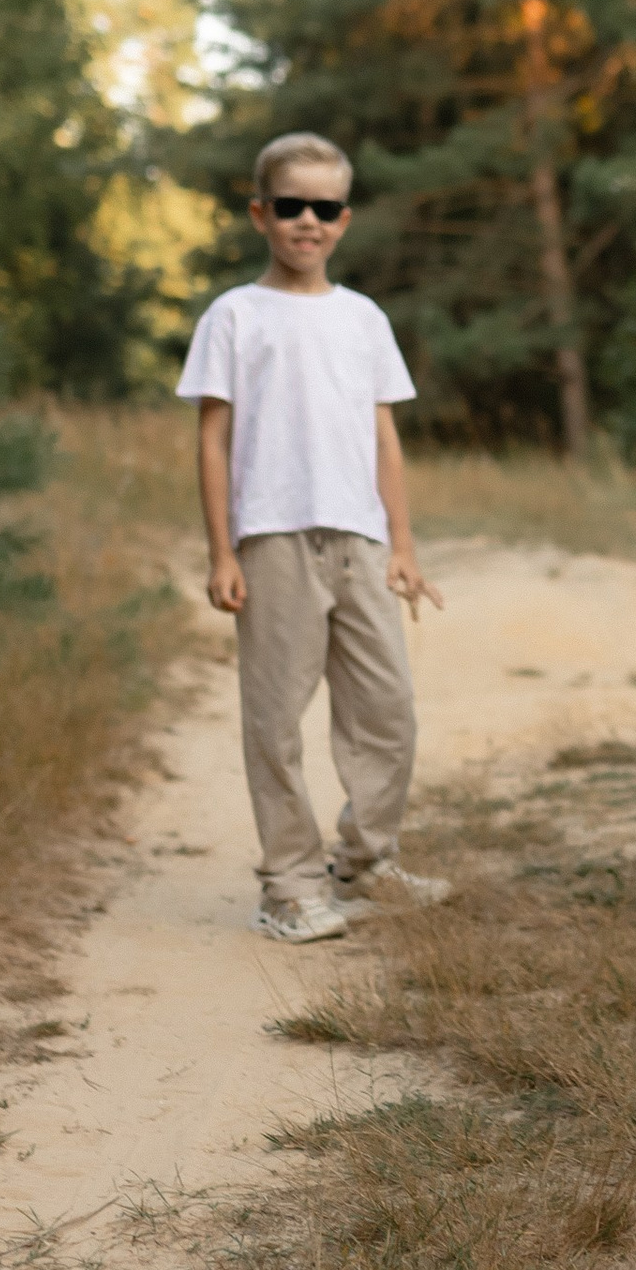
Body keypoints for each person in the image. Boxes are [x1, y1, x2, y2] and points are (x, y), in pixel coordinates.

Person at [180, 132, 442, 945]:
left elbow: (383, 439)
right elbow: (213, 439)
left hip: (358, 539)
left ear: (344, 219)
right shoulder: (234, 315)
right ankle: (288, 884)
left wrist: (401, 543)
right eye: (290, 205)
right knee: (277, 719)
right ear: (260, 213)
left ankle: (364, 862)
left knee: (387, 709)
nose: (307, 221)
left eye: (324, 208)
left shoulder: (363, 318)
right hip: (273, 540)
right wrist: (223, 551)